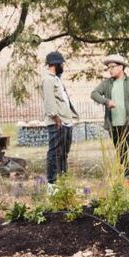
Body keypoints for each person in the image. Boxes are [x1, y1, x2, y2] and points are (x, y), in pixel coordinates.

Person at [90, 54, 129, 174]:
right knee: (121, 152)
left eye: (112, 67)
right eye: (108, 68)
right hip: (114, 124)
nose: (109, 70)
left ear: (121, 67)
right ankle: (126, 177)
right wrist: (106, 101)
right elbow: (94, 93)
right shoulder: (107, 83)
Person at [41, 51, 78, 185]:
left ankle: (62, 181)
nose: (63, 66)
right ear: (56, 64)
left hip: (66, 122)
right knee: (54, 153)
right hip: (57, 122)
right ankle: (52, 184)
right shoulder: (48, 80)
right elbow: (49, 102)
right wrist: (56, 117)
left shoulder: (57, 79)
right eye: (61, 63)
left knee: (63, 154)